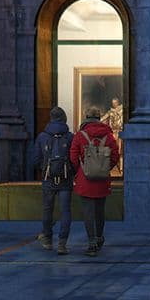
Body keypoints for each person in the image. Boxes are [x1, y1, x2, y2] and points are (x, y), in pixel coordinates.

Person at [69, 105, 121, 258]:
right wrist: (105, 168)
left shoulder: (80, 135)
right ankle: (99, 237)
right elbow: (115, 155)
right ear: (99, 118)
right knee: (100, 211)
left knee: (88, 212)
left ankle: (91, 242)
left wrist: (81, 170)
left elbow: (73, 156)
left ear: (86, 117)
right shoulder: (108, 135)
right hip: (102, 180)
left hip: (85, 180)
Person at [32, 106, 75, 255]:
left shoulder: (42, 137)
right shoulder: (70, 136)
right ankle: (62, 244)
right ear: (64, 118)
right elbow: (75, 159)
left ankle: (48, 240)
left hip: (48, 179)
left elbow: (35, 160)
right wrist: (70, 172)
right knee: (66, 211)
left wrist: (45, 170)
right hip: (65, 179)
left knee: (47, 210)